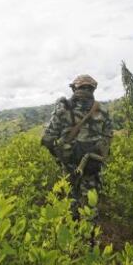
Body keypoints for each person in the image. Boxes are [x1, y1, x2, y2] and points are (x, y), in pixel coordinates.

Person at [41, 74, 113, 232]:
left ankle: (72, 244)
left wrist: (59, 156)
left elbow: (47, 139)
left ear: (74, 88)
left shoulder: (64, 109)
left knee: (70, 203)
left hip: (69, 166)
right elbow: (108, 138)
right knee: (91, 206)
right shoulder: (103, 111)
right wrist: (99, 157)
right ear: (93, 89)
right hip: (93, 166)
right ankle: (91, 241)